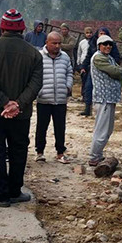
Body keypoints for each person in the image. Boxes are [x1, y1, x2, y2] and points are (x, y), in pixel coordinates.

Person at [0, 9, 43, 208]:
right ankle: (15, 191)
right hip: (20, 115)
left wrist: (4, 103)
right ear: (22, 28)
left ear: (2, 27)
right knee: (18, 151)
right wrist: (17, 104)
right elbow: (36, 83)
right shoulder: (33, 53)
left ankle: (1, 195)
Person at [35, 31, 73, 163]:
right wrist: (38, 91)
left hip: (61, 99)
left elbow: (69, 72)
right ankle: (40, 152)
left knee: (60, 127)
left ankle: (60, 153)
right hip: (44, 98)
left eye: (59, 43)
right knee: (41, 127)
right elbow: (34, 76)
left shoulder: (65, 57)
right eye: (54, 43)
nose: (57, 46)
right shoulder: (39, 57)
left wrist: (68, 86)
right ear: (47, 43)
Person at [88, 34, 122, 166]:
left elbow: (118, 70)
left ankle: (98, 154)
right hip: (103, 99)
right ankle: (94, 156)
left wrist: (118, 70)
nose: (108, 46)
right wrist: (119, 70)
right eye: (105, 44)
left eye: (110, 44)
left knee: (107, 130)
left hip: (109, 99)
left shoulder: (108, 58)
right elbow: (116, 72)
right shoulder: (98, 58)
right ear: (99, 46)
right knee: (102, 130)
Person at [78, 27, 94, 116]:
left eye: (90, 32)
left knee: (90, 85)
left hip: (92, 66)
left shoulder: (94, 43)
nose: (89, 34)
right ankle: (84, 97)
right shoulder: (82, 43)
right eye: (87, 32)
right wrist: (80, 64)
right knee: (84, 82)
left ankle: (89, 103)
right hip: (83, 65)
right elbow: (79, 53)